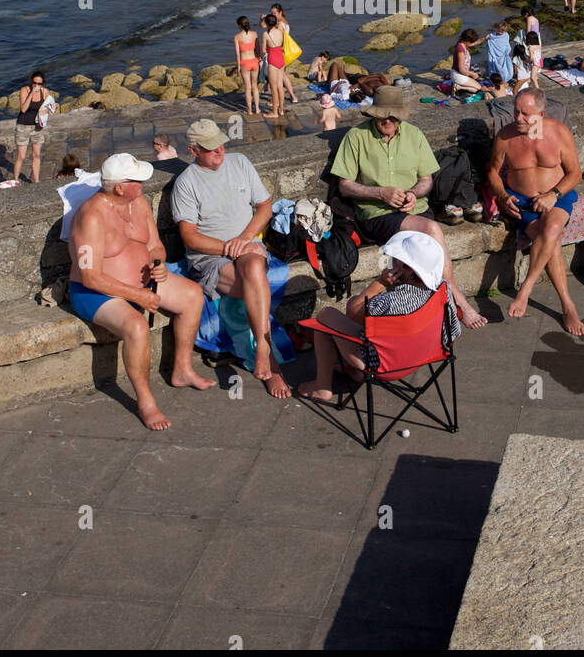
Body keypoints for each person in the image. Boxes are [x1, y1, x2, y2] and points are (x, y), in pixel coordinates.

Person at [68, 152, 215, 430]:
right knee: (136, 326)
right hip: (97, 293)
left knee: (193, 295)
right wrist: (138, 296)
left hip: (143, 282)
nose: (144, 185)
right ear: (120, 187)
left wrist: (158, 264)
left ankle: (182, 369)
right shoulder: (91, 217)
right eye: (138, 181)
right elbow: (91, 277)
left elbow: (155, 246)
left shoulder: (139, 203)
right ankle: (146, 401)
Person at [329, 86, 486, 328]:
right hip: (377, 214)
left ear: (400, 116)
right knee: (433, 231)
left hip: (415, 210)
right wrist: (379, 193)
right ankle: (458, 303)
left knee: (427, 238)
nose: (388, 120)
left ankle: (426, 311)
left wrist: (413, 193)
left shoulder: (414, 135)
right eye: (383, 115)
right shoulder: (356, 137)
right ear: (374, 114)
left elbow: (426, 180)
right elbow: (344, 186)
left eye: (393, 116)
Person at [171, 120, 290, 395]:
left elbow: (264, 206)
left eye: (221, 143)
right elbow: (189, 238)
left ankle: (262, 347)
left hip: (245, 246)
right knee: (255, 283)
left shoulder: (240, 162)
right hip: (210, 257)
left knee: (253, 271)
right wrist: (229, 247)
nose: (220, 150)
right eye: (211, 148)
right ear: (193, 150)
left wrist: (245, 239)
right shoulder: (186, 183)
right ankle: (270, 357)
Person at [296, 231, 460, 403]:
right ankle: (353, 371)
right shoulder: (443, 289)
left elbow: (353, 310)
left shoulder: (390, 302)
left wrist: (380, 283)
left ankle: (322, 387)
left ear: (408, 269)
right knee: (364, 314)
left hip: (383, 366)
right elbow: (453, 331)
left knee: (325, 317)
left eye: (397, 259)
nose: (392, 261)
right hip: (427, 354)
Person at [486, 89, 584, 336]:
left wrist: (554, 195)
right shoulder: (505, 137)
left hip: (557, 197)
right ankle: (567, 305)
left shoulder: (558, 133)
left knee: (551, 227)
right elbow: (493, 172)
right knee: (550, 238)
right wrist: (502, 196)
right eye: (516, 111)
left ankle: (526, 289)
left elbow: (575, 173)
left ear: (541, 114)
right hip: (522, 203)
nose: (518, 118)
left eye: (525, 114)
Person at [13, 70, 51, 184]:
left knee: (37, 154)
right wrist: (31, 93)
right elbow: (23, 109)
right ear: (31, 81)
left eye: (39, 84)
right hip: (23, 126)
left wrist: (46, 110)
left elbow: (50, 107)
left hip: (37, 127)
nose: (36, 86)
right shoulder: (25, 90)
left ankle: (36, 181)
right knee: (22, 156)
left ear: (43, 84)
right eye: (34, 83)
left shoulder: (45, 92)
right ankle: (15, 180)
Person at [234, 15, 261, 116]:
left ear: (239, 25)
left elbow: (237, 53)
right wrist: (258, 60)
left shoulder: (237, 37)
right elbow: (257, 48)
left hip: (244, 62)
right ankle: (257, 109)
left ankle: (249, 110)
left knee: (247, 87)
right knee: (255, 86)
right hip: (254, 61)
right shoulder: (254, 34)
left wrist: (238, 67)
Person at [261, 12, 286, 119]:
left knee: (273, 88)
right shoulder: (281, 31)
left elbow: (263, 50)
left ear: (267, 24)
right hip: (281, 58)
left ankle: (274, 112)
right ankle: (281, 110)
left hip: (272, 60)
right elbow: (283, 44)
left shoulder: (266, 34)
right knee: (280, 86)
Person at [451, 28, 489, 95]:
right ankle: (457, 87)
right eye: (471, 42)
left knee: (483, 72)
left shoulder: (462, 42)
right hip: (458, 75)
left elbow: (475, 43)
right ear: (467, 41)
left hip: (465, 72)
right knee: (479, 88)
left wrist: (484, 38)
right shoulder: (461, 52)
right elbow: (461, 69)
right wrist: (472, 74)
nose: (472, 43)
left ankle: (460, 86)